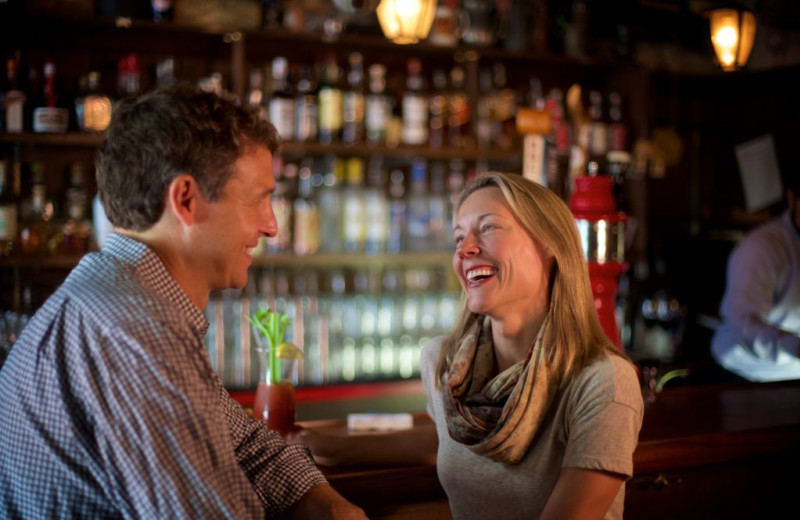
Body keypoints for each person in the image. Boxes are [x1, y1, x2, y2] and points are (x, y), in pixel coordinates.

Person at [0, 84, 367, 520]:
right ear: (186, 200)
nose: (272, 227)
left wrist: (329, 507)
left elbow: (246, 442)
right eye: (259, 201)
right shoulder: (135, 332)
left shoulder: (125, 299)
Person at [295, 172, 644, 520]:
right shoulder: (444, 364)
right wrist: (329, 448)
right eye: (458, 237)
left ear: (550, 243)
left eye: (488, 228)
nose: (465, 249)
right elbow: (446, 442)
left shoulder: (602, 382)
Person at [711, 172, 800, 382]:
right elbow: (742, 322)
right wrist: (795, 346)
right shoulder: (762, 247)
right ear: (791, 199)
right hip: (747, 375)